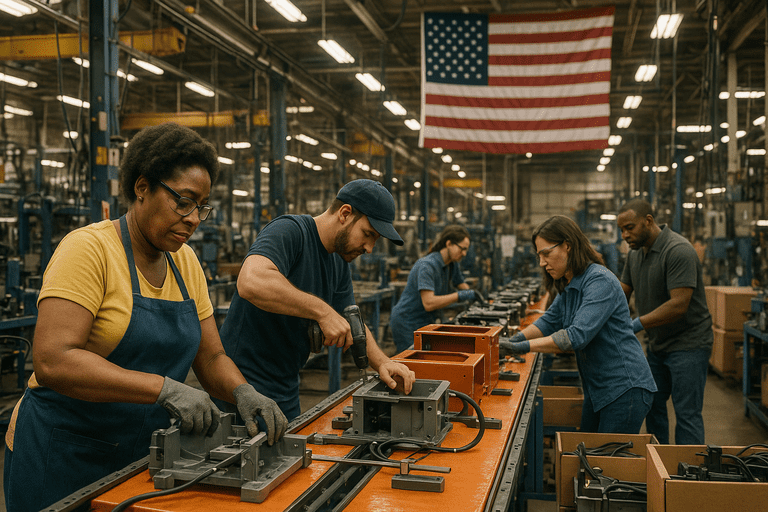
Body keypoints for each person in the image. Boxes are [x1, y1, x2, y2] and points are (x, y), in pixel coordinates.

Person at [3, 123, 287, 511]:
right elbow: (54, 359)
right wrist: (164, 389)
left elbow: (211, 357)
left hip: (137, 456)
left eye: (201, 206)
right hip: (62, 451)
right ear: (142, 188)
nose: (193, 219)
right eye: (183, 201)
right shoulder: (89, 250)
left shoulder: (185, 263)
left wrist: (242, 392)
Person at [218, 179, 416, 422]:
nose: (370, 248)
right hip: (240, 388)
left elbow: (351, 321)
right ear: (345, 213)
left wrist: (383, 362)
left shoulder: (338, 263)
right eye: (368, 234)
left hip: (287, 386)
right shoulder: (290, 231)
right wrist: (323, 312)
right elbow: (250, 281)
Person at [502, 215, 657, 433]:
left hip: (625, 388)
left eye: (546, 253)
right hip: (598, 388)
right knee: (588, 454)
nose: (542, 262)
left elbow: (575, 337)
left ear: (568, 246)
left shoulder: (599, 280)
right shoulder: (571, 282)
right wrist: (515, 338)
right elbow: (550, 320)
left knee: (606, 462)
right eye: (539, 255)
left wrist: (522, 348)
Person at [617, 199, 713, 444]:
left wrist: (636, 324)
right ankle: (659, 466)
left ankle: (687, 476)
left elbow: (678, 305)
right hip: (658, 345)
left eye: (630, 227)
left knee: (687, 413)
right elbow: (621, 292)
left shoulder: (678, 250)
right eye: (622, 230)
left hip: (689, 344)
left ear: (648, 221)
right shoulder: (635, 255)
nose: (625, 235)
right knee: (652, 405)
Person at [389, 225, 484, 353]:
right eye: (462, 249)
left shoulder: (451, 264)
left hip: (426, 320)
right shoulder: (427, 266)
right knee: (411, 365)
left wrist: (476, 298)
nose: (464, 253)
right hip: (407, 321)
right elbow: (428, 303)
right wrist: (460, 296)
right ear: (449, 243)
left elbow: (463, 286)